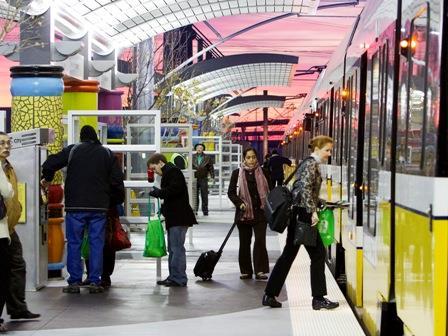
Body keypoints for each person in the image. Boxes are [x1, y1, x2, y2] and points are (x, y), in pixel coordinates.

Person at [41, 125, 124, 294]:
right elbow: (117, 181)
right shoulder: (107, 153)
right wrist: (112, 201)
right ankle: (94, 281)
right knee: (96, 244)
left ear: (81, 137)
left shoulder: (73, 151)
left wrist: (47, 179)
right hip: (99, 208)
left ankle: (74, 281)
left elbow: (49, 163)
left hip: (75, 207)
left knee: (74, 243)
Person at [263, 135, 339, 310]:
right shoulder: (311, 164)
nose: (329, 153)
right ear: (317, 149)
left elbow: (302, 190)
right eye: (327, 150)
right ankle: (318, 299)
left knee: (289, 255)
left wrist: (320, 203)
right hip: (303, 215)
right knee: (318, 254)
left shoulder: (308, 163)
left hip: (300, 213)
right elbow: (303, 189)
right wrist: (312, 211)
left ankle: (270, 294)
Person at [0, 132, 40, 326]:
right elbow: (7, 191)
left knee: (17, 265)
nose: (6, 146)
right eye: (2, 143)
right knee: (6, 270)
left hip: (8, 226)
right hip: (1, 227)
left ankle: (17, 308)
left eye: (8, 143)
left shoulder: (8, 166)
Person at [147, 153, 196, 287]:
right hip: (175, 217)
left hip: (179, 217)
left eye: (154, 169)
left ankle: (179, 278)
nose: (155, 172)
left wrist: (158, 193)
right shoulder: (170, 172)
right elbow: (173, 195)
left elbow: (173, 191)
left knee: (177, 248)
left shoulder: (173, 172)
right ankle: (174, 276)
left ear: (160, 163)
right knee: (173, 248)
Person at [227, 147, 272, 280]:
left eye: (253, 157)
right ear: (244, 158)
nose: (251, 160)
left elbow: (271, 190)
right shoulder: (237, 173)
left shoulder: (264, 172)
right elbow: (231, 192)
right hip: (244, 213)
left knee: (260, 241)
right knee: (244, 242)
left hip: (260, 212)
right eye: (248, 157)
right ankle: (246, 270)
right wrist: (239, 203)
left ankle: (260, 270)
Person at [192, 143, 214, 216]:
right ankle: (195, 210)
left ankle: (205, 211)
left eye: (201, 148)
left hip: (203, 178)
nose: (199, 149)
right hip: (194, 178)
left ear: (203, 149)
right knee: (195, 195)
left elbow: (211, 168)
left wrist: (212, 176)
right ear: (196, 149)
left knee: (204, 195)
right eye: (198, 147)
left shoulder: (207, 157)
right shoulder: (192, 157)